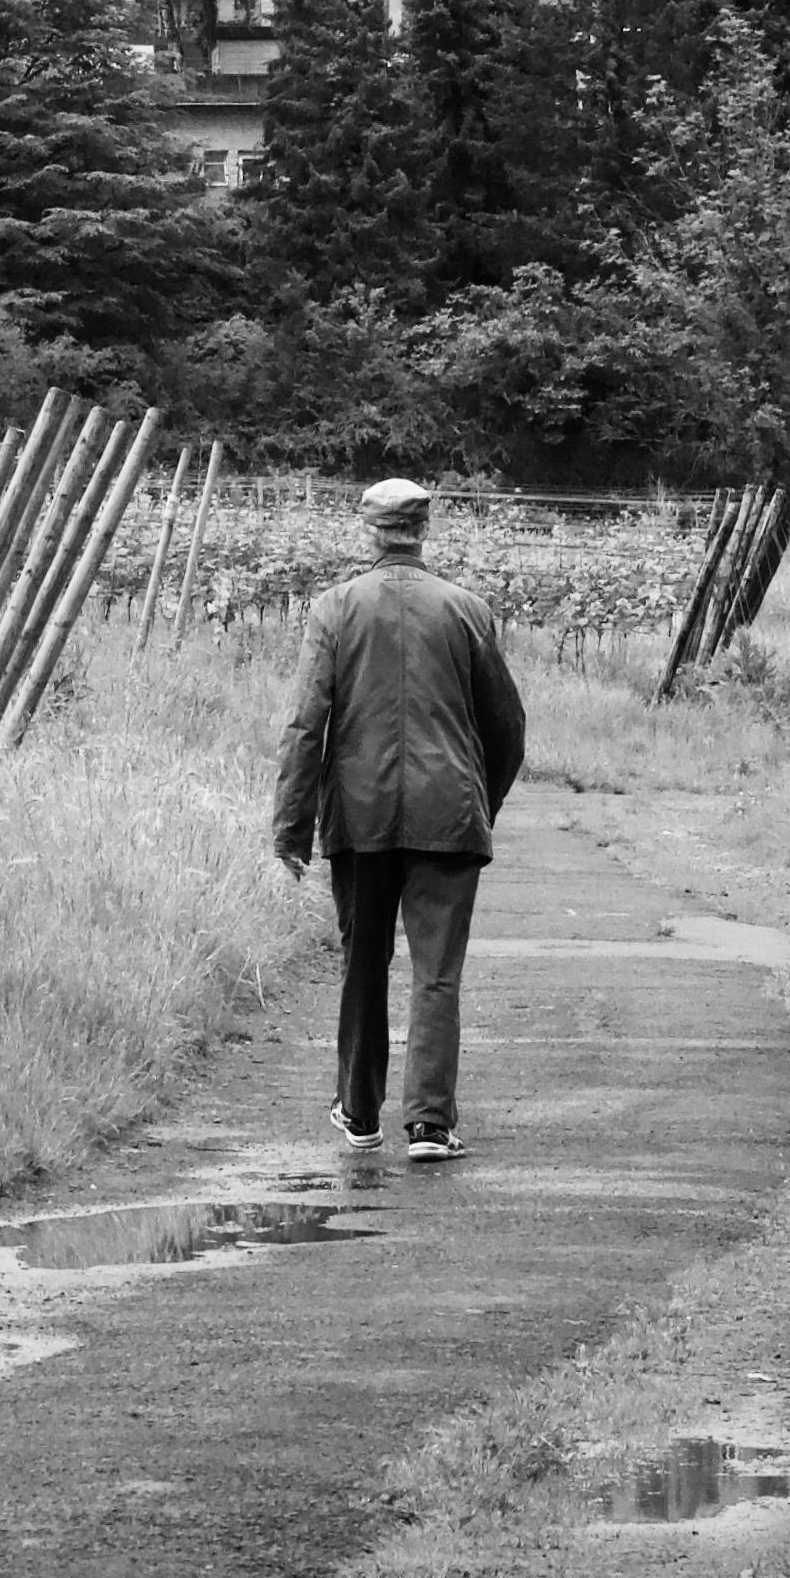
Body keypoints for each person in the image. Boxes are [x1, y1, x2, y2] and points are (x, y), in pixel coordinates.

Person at [268, 476, 527, 1164]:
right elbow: (508, 728)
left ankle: (359, 1114)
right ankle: (431, 1125)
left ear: (368, 531)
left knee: (364, 961)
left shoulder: (334, 609)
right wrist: (479, 803)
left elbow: (304, 726)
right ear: (424, 530)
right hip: (449, 811)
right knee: (437, 972)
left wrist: (291, 829)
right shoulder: (467, 610)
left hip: (359, 811)